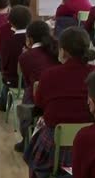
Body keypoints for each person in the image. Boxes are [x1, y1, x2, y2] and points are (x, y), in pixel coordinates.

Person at [27, 27, 95, 178]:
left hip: (55, 146)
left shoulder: (49, 75)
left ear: (63, 51)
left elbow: (39, 105)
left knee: (37, 128)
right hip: (90, 144)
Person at [15, 20, 61, 152]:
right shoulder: (56, 49)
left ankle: (26, 138)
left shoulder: (25, 56)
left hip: (40, 96)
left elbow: (28, 82)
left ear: (29, 39)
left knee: (28, 95)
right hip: (58, 94)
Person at [0, 0, 34, 104]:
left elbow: (3, 61)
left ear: (11, 22)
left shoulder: (8, 41)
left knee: (4, 73)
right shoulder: (34, 36)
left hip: (13, 80)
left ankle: (3, 101)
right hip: (32, 80)